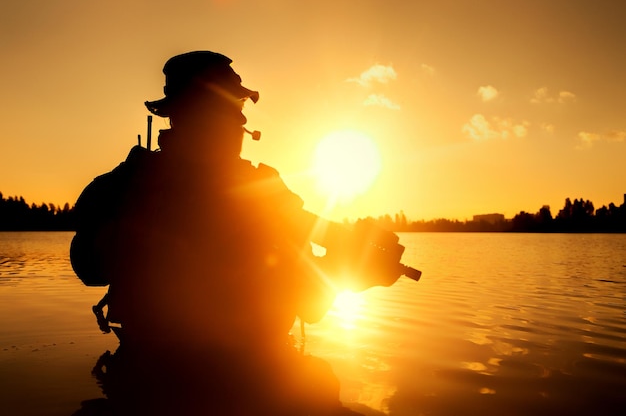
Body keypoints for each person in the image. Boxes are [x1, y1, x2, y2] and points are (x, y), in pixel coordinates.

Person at [72, 50, 405, 415]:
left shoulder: (123, 185)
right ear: (189, 116)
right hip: (247, 380)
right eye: (231, 111)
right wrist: (353, 271)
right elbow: (311, 303)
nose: (240, 122)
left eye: (239, 112)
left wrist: (355, 262)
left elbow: (87, 267)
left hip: (148, 378)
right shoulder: (256, 190)